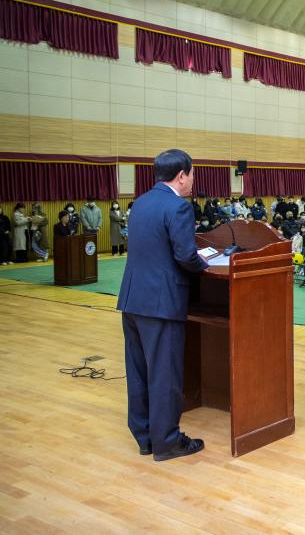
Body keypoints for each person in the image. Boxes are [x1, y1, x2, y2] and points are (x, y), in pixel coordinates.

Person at [116, 149, 209, 461]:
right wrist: (204, 265)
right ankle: (167, 441)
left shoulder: (140, 203)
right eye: (192, 174)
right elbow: (185, 255)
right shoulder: (178, 207)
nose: (193, 181)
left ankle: (145, 438)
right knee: (164, 374)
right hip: (161, 303)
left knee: (139, 372)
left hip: (132, 300)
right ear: (181, 176)